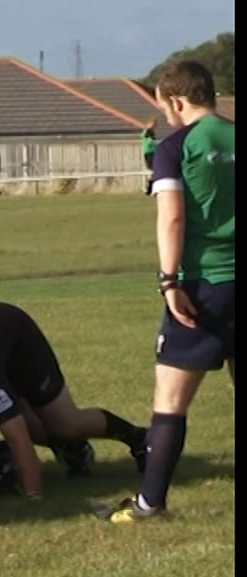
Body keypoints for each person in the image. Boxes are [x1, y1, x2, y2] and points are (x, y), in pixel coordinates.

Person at [99, 60, 234, 524]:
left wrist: (169, 281)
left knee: (170, 400)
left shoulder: (175, 146)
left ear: (176, 101)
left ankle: (149, 504)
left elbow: (172, 217)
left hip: (204, 284)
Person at [0, 301, 149, 498]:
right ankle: (59, 447)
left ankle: (138, 437)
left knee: (64, 423)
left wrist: (33, 497)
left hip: (17, 339)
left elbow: (17, 437)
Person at [141, 118, 158, 196]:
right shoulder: (149, 131)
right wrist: (160, 143)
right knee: (153, 171)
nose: (155, 125)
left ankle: (150, 189)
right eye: (154, 123)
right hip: (150, 152)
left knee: (154, 171)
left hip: (150, 152)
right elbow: (150, 141)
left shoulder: (149, 131)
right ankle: (149, 189)